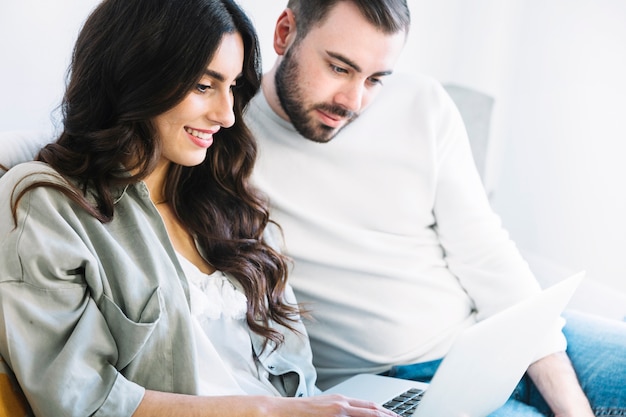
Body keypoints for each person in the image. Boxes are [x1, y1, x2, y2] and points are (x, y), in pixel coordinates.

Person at [0, 1, 400, 416]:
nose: (226, 115)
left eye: (233, 86)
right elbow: (80, 401)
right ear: (134, 74)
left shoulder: (230, 202)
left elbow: (298, 376)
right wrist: (269, 412)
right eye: (204, 86)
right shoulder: (45, 206)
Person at [244, 0, 626, 416]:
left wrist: (573, 407)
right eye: (339, 67)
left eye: (375, 79)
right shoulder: (226, 141)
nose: (352, 101)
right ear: (285, 33)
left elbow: (486, 255)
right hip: (390, 384)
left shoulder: (421, 103)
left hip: (493, 337)